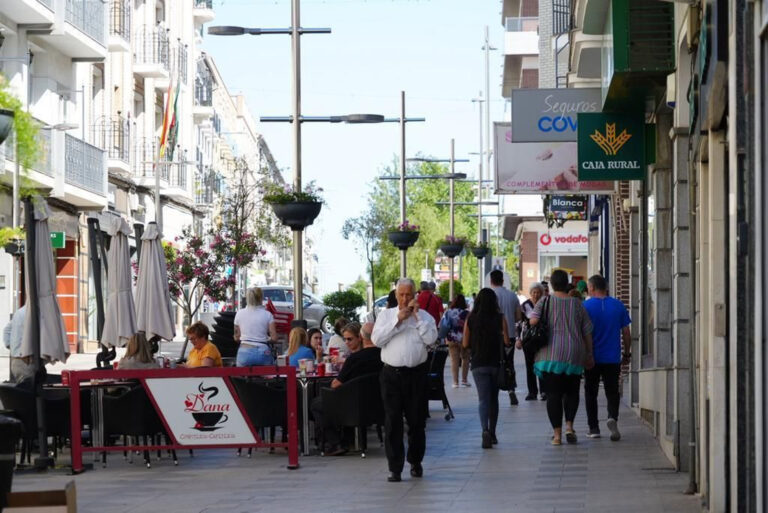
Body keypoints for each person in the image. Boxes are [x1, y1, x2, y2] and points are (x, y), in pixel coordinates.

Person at [372, 278, 438, 482]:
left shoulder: (424, 317)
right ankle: (395, 467)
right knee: (392, 422)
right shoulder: (386, 316)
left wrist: (417, 317)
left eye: (408, 294)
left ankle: (415, 461)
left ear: (415, 295)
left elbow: (431, 339)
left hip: (416, 375)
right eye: (401, 294)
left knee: (417, 421)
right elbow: (376, 340)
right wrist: (398, 321)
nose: (405, 298)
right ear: (396, 295)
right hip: (392, 375)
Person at [529, 270, 594, 445]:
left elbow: (532, 321)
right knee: (572, 392)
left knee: (553, 395)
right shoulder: (577, 304)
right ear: (567, 284)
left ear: (551, 285)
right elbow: (587, 331)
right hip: (574, 354)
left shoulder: (545, 301)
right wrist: (589, 354)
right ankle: (569, 427)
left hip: (550, 355)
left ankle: (557, 436)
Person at [311, 322, 382, 455]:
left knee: (317, 404)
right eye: (345, 339)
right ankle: (347, 439)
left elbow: (335, 384)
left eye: (349, 339)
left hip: (352, 404)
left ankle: (335, 442)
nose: (346, 342)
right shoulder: (384, 356)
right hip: (377, 403)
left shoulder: (354, 359)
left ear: (360, 337)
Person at [582, 274, 631, 441]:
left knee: (591, 392)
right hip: (612, 357)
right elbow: (626, 332)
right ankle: (612, 417)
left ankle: (594, 427)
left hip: (592, 357)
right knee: (612, 391)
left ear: (592, 288)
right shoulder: (618, 305)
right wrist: (627, 353)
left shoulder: (585, 306)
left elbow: (582, 332)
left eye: (588, 287)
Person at [462, 288, 509, 449]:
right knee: (494, 399)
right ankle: (493, 432)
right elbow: (507, 341)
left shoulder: (471, 319)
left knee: (483, 399)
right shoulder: (500, 318)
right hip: (496, 363)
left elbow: (465, 343)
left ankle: (484, 431)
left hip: (478, 364)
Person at [488, 269, 522, 405]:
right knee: (509, 363)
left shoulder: (489, 295)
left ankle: (494, 390)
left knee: (494, 363)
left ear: (491, 281)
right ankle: (511, 390)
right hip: (511, 335)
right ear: (503, 281)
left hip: (493, 336)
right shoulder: (512, 295)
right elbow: (519, 316)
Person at [234, 287, 277, 366]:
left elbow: (237, 337)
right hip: (263, 351)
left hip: (244, 352)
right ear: (260, 298)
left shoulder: (239, 314)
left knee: (241, 376)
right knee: (269, 375)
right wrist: (266, 339)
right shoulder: (268, 315)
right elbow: (274, 338)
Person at [517, 282, 545, 401]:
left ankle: (544, 391)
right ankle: (532, 392)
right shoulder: (524, 306)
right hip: (528, 339)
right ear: (530, 293)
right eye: (534, 292)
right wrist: (518, 338)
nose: (536, 294)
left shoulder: (545, 304)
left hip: (542, 338)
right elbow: (519, 323)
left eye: (538, 292)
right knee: (530, 366)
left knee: (542, 365)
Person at [442, 295, 471, 388]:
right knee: (465, 358)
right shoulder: (468, 313)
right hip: (464, 339)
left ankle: (455, 382)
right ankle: (464, 380)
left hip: (451, 339)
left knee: (454, 360)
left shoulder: (448, 313)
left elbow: (444, 325)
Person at [3, 304, 33, 383]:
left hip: (18, 359)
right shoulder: (33, 313)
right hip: (25, 360)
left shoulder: (19, 312)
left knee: (23, 388)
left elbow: (6, 330)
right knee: (27, 389)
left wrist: (11, 346)